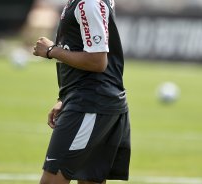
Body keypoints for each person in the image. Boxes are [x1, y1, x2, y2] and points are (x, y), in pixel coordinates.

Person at [33, 0, 130, 183]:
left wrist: (52, 51)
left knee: (51, 180)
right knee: (88, 180)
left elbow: (97, 61)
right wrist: (65, 98)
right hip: (94, 101)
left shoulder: (88, 3)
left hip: (90, 103)